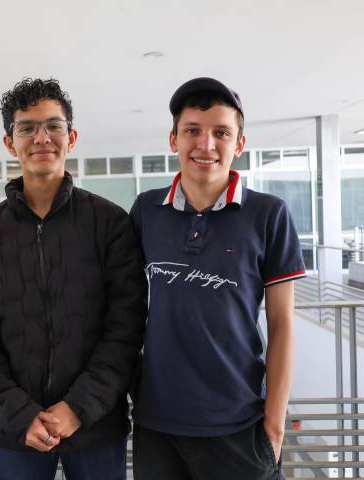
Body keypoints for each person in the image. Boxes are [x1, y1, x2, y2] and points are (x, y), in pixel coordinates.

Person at [0, 78, 147, 480]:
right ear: (10, 142)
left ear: (71, 137)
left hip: (96, 424)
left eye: (53, 126)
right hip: (17, 431)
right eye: (27, 128)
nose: (41, 138)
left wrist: (78, 408)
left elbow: (126, 328)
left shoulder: (110, 223)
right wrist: (19, 414)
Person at [130, 77, 306, 480]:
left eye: (221, 133)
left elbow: (282, 325)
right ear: (173, 139)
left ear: (239, 144)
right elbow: (126, 308)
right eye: (192, 130)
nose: (205, 144)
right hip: (157, 424)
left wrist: (274, 427)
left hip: (240, 424)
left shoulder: (268, 214)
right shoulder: (146, 211)